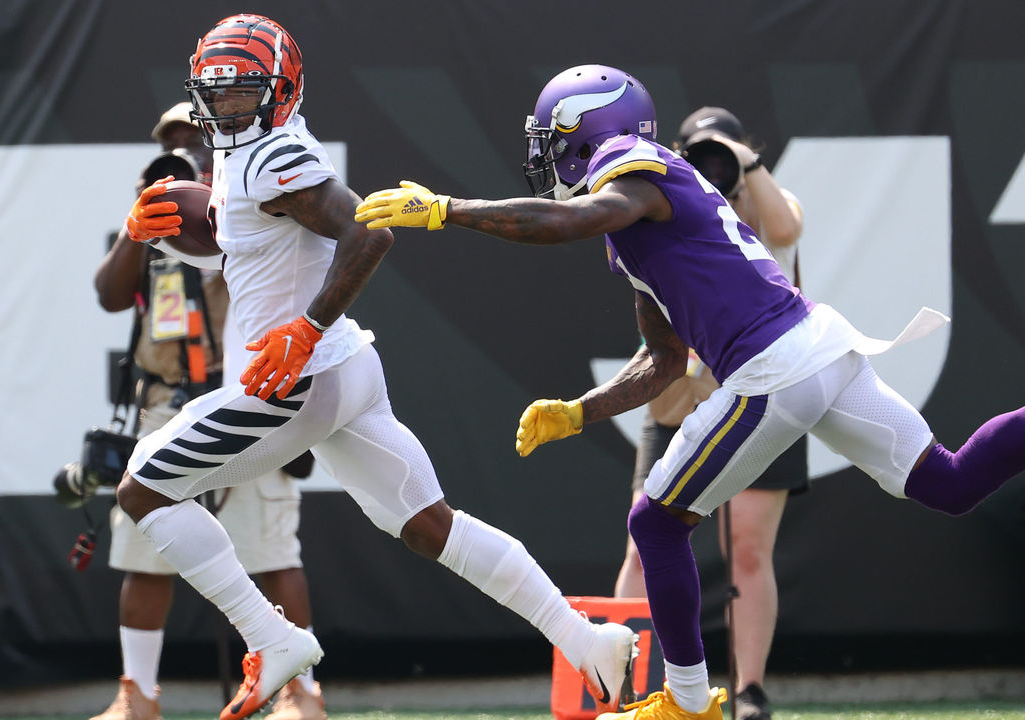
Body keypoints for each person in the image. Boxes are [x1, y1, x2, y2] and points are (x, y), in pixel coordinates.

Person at [354, 64, 1025, 719]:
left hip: (776, 365)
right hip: (822, 345)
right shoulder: (636, 217)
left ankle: (687, 700)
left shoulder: (629, 162)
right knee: (950, 482)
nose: (548, 158)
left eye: (554, 141)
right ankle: (688, 698)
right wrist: (579, 412)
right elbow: (665, 359)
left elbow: (564, 223)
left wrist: (449, 210)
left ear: (591, 132)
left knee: (655, 521)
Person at [119, 15, 640, 720]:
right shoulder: (254, 158)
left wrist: (305, 330)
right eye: (219, 93)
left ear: (280, 90)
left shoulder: (272, 154)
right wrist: (184, 232)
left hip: (292, 382)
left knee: (143, 489)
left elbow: (369, 228)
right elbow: (252, 242)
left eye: (244, 92)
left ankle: (270, 637)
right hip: (345, 374)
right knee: (434, 526)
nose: (229, 107)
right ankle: (585, 640)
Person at [90, 137, 324, 719]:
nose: (177, 161)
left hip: (245, 398)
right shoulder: (150, 228)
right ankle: (137, 696)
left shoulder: (245, 211)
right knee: (146, 556)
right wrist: (139, 224)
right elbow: (109, 296)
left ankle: (302, 696)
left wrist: (208, 207)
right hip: (167, 403)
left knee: (270, 551)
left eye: (189, 152)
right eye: (165, 153)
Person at [612, 106, 805, 720]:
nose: (713, 165)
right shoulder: (674, 205)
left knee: (747, 547)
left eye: (721, 154)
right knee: (643, 545)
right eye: (700, 153)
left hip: (769, 390)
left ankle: (749, 690)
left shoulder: (758, 202)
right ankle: (629, 686)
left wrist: (744, 161)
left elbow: (786, 228)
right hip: (683, 394)